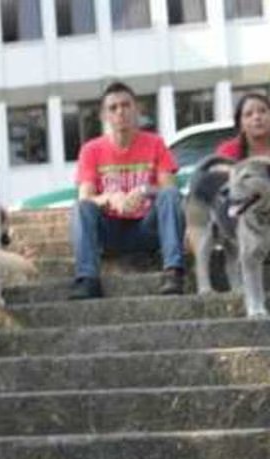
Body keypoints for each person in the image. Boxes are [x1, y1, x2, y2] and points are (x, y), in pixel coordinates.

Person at [68, 81, 186, 300]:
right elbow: (86, 198)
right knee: (81, 207)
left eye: (125, 105)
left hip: (147, 229)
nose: (120, 112)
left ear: (136, 109)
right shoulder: (91, 150)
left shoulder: (155, 143)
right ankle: (88, 279)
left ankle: (173, 272)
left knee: (170, 196)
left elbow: (169, 188)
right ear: (104, 115)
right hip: (109, 232)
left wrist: (143, 191)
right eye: (113, 108)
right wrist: (112, 198)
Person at [215, 91, 270, 160]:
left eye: (263, 111)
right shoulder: (228, 152)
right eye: (249, 114)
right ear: (240, 124)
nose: (257, 117)